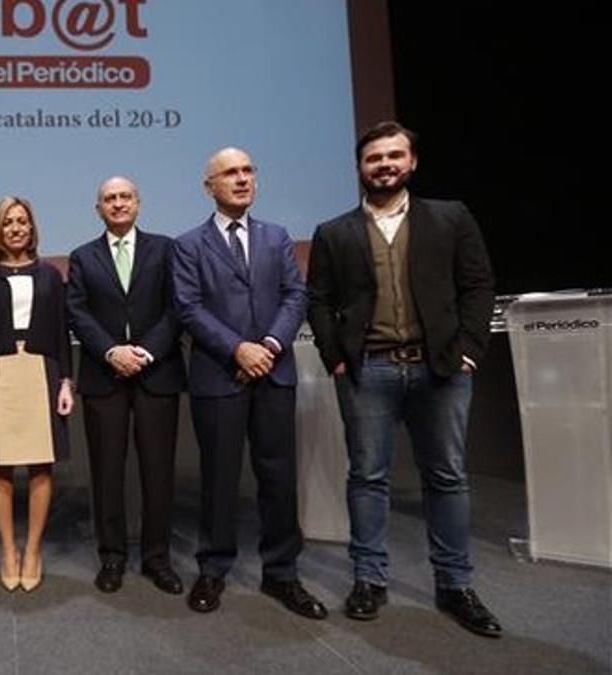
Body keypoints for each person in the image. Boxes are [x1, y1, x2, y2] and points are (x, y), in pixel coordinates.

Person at [307, 121, 501, 637]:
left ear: (411, 161)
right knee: (368, 478)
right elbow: (319, 301)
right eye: (374, 158)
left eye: (394, 156)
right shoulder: (333, 232)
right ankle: (369, 579)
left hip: (440, 369)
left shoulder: (450, 218)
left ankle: (455, 584)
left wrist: (470, 352)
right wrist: (336, 358)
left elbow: (478, 286)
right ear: (360, 168)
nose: (385, 165)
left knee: (447, 477)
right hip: (368, 371)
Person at [172, 147, 326, 619]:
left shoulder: (277, 237)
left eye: (247, 171)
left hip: (274, 373)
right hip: (219, 376)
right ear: (209, 186)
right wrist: (239, 349)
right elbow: (188, 307)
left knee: (279, 477)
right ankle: (214, 569)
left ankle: (282, 574)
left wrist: (271, 346)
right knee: (219, 478)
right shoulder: (188, 245)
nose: (241, 179)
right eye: (230, 173)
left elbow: (296, 293)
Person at [66, 176, 186, 594]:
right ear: (98, 208)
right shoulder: (82, 256)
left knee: (158, 473)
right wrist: (112, 352)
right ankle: (112, 557)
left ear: (138, 203)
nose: (117, 204)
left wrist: (146, 352)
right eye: (109, 199)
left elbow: (177, 308)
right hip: (105, 377)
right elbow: (77, 312)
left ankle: (158, 559)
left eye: (125, 197)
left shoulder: (166, 249)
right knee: (107, 473)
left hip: (157, 375)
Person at [0, 196, 73, 592]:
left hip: (41, 372)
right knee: (1, 467)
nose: (15, 228)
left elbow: (62, 334)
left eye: (22, 221)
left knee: (42, 466)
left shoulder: (49, 275)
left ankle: (33, 551)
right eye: (8, 222)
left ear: (32, 227)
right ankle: (9, 551)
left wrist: (65, 382)